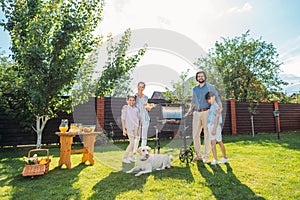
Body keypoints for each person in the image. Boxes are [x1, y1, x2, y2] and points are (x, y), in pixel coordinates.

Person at [185, 71, 222, 163]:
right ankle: (198, 155)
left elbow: (217, 98)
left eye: (202, 76)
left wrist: (221, 107)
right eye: (199, 76)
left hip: (207, 112)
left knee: (207, 135)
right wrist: (190, 110)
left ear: (205, 77)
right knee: (195, 134)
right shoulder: (195, 89)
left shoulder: (211, 87)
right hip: (196, 113)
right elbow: (193, 101)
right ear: (197, 78)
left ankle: (206, 156)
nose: (200, 78)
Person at [205, 91, 228, 165]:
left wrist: (214, 129)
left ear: (213, 97)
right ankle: (216, 159)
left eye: (209, 99)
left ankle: (224, 158)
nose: (208, 101)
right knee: (213, 142)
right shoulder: (212, 106)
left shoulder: (216, 106)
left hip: (215, 126)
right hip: (211, 126)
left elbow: (217, 118)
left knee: (218, 141)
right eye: (208, 100)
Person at [121, 94, 140, 164]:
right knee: (132, 143)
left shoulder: (136, 109)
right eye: (130, 100)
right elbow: (123, 119)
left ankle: (132, 157)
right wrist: (124, 129)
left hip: (135, 128)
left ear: (135, 101)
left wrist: (138, 129)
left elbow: (138, 120)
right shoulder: (125, 108)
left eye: (133, 100)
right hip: (129, 128)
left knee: (135, 143)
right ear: (127, 101)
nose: (131, 102)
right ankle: (125, 158)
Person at [135, 82, 152, 147]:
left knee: (144, 136)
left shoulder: (146, 97)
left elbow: (147, 108)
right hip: (137, 119)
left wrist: (149, 107)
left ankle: (143, 150)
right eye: (140, 87)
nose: (141, 88)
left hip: (145, 118)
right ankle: (135, 150)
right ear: (137, 87)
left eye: (142, 87)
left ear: (144, 88)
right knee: (137, 136)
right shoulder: (134, 97)